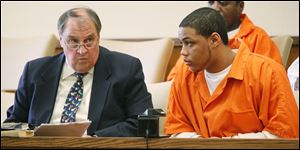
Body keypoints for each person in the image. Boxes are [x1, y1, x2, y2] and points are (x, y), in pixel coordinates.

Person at [4, 7, 153, 137]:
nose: (82, 50)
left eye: (89, 40)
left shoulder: (125, 69)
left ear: (98, 38)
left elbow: (143, 122)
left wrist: (95, 139)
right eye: (73, 41)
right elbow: (13, 123)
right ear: (61, 41)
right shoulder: (35, 72)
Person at [164, 7, 299, 138]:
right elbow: (176, 128)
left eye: (189, 43)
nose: (182, 52)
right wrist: (202, 144)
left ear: (214, 40)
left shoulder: (268, 72)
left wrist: (226, 144)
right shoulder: (183, 75)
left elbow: (284, 134)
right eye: (181, 44)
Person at [167, 1, 282, 81]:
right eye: (211, 2)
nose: (215, 8)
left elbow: (272, 79)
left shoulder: (258, 37)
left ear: (240, 6)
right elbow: (174, 81)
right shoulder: (195, 40)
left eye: (223, 2)